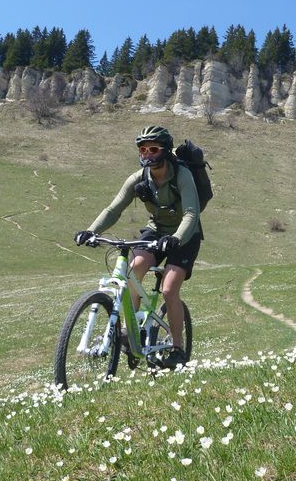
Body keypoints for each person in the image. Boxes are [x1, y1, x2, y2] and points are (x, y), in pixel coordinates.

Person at [73, 125, 202, 369]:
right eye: (143, 149)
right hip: (155, 230)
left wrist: (176, 237)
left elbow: (191, 213)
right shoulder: (138, 178)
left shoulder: (181, 175)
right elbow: (113, 209)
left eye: (153, 148)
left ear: (165, 151)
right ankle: (129, 333)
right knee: (132, 272)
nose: (147, 154)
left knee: (169, 289)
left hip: (185, 235)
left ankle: (177, 347)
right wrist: (91, 231)